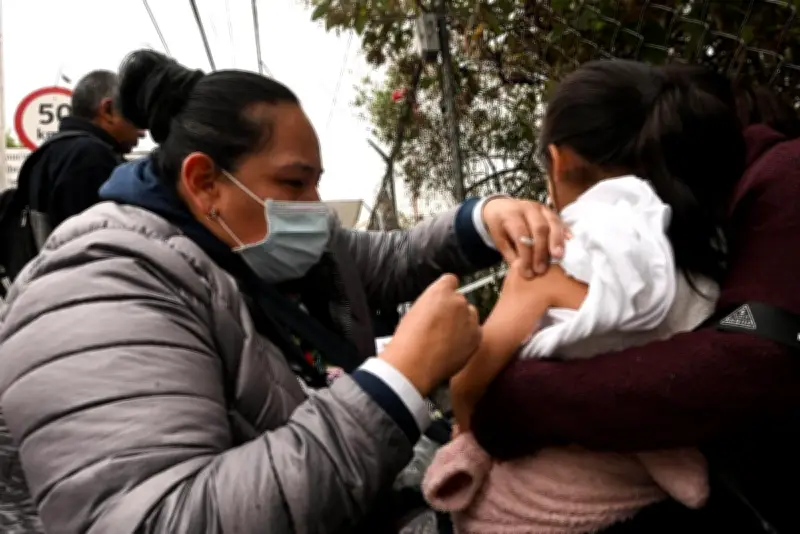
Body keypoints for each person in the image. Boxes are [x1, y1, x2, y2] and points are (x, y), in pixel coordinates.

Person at [0, 50, 557, 534]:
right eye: (294, 182)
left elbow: (391, 259)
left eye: (316, 180)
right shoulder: (102, 286)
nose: (314, 204)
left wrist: (482, 221)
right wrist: (397, 382)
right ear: (203, 182)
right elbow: (160, 517)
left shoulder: (262, 242)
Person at [421, 60, 744, 533]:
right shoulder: (709, 246)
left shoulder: (556, 254)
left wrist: (465, 431)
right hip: (657, 490)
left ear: (558, 162)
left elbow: (470, 384)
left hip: (538, 509)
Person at [27, 70, 143, 235]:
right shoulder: (91, 157)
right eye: (137, 118)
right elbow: (97, 243)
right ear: (108, 110)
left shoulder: (48, 152)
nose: (142, 132)